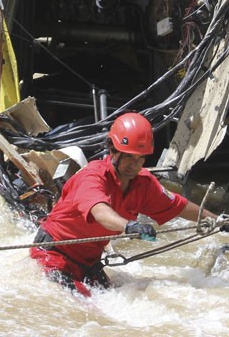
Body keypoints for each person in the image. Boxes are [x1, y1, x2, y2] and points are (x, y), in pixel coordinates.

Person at [30, 112, 215, 294]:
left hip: (88, 262)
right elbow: (100, 212)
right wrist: (129, 226)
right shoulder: (92, 177)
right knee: (91, 310)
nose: (134, 164)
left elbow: (178, 206)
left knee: (125, 298)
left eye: (140, 158)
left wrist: (221, 220)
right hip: (53, 255)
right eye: (129, 156)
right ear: (112, 150)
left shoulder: (144, 183)